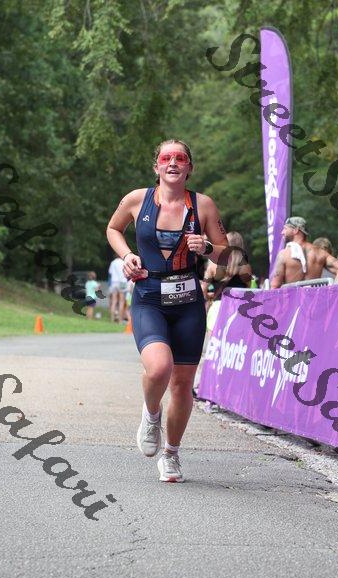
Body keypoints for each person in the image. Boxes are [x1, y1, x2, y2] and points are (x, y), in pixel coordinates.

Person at [106, 139, 228, 483]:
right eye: (166, 158)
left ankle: (171, 454)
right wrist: (127, 255)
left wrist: (207, 247)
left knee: (182, 383)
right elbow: (113, 229)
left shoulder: (203, 205)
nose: (173, 162)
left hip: (188, 302)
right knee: (159, 368)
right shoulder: (136, 199)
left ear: (189, 167)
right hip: (149, 296)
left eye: (180, 158)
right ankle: (151, 414)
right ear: (156, 166)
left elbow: (227, 254)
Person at [271, 217, 338, 288]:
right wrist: (333, 292)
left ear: (295, 230)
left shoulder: (284, 254)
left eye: (285, 228)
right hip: (315, 298)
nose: (282, 232)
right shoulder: (320, 253)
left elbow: (275, 286)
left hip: (293, 298)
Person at [202, 231, 252, 334]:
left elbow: (203, 289)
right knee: (234, 341)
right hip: (238, 308)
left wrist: (209, 297)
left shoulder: (213, 265)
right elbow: (248, 289)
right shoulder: (245, 267)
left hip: (218, 308)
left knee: (215, 341)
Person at [108, 256, 128, 322]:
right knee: (121, 302)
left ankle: (112, 319)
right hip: (122, 282)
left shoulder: (113, 262)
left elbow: (110, 273)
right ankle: (120, 320)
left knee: (114, 301)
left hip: (114, 282)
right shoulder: (124, 262)